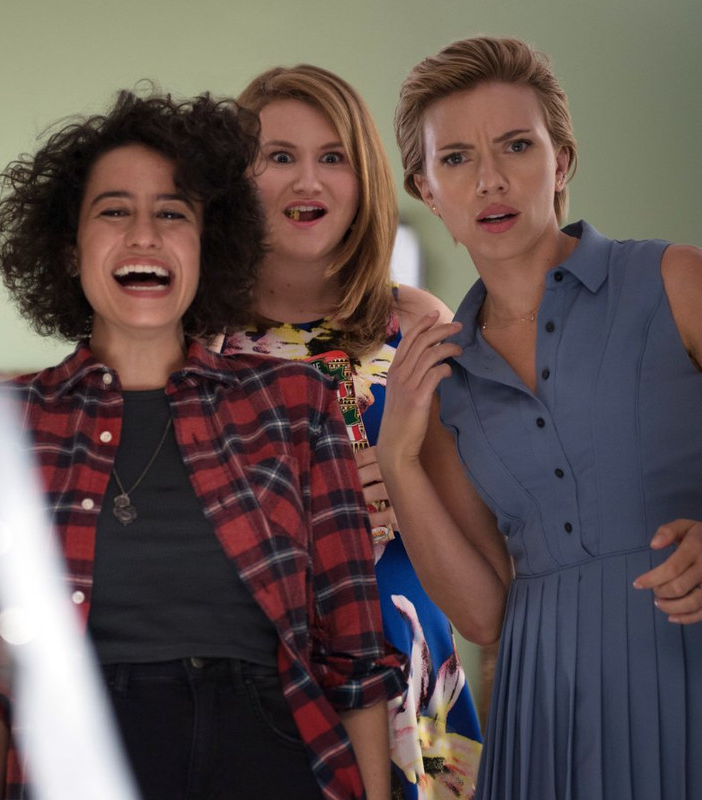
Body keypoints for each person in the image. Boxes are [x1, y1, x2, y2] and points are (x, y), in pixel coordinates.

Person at [0, 90, 402, 800]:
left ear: (209, 246)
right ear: (69, 248)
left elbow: (355, 659)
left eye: (173, 214)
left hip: (271, 754)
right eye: (114, 211)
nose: (144, 235)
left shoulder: (297, 404)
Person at [383, 35, 702, 799]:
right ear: (427, 191)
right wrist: (398, 461)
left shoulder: (676, 280)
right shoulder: (444, 381)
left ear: (562, 162)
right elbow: (483, 614)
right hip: (543, 710)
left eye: (517, 145)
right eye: (457, 159)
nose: (490, 179)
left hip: (701, 669)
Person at [222, 64, 483, 798]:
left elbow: (483, 524)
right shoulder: (196, 338)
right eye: (280, 157)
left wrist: (409, 489)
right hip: (253, 676)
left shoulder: (420, 322)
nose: (308, 181)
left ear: (364, 177)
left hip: (407, 665)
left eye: (333, 157)